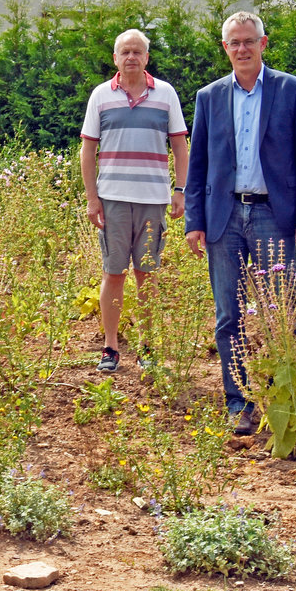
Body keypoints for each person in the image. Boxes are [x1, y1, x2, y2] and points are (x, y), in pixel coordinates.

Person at [184, 11, 296, 436]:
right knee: (229, 316)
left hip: (272, 216)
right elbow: (199, 164)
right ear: (224, 48)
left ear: (263, 43)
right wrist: (194, 220)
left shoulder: (291, 90)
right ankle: (239, 401)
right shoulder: (209, 97)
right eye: (233, 43)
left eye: (249, 41)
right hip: (223, 217)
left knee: (279, 313)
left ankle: (281, 398)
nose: (241, 48)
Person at [81, 29, 189, 372]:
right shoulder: (100, 96)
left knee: (147, 275)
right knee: (114, 273)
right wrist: (92, 199)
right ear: (115, 58)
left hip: (152, 200)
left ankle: (147, 347)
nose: (131, 57)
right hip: (111, 200)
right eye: (125, 52)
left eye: (137, 52)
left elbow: (180, 146)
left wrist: (180, 190)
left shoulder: (166, 94)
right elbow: (87, 151)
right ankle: (110, 348)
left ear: (146, 58)